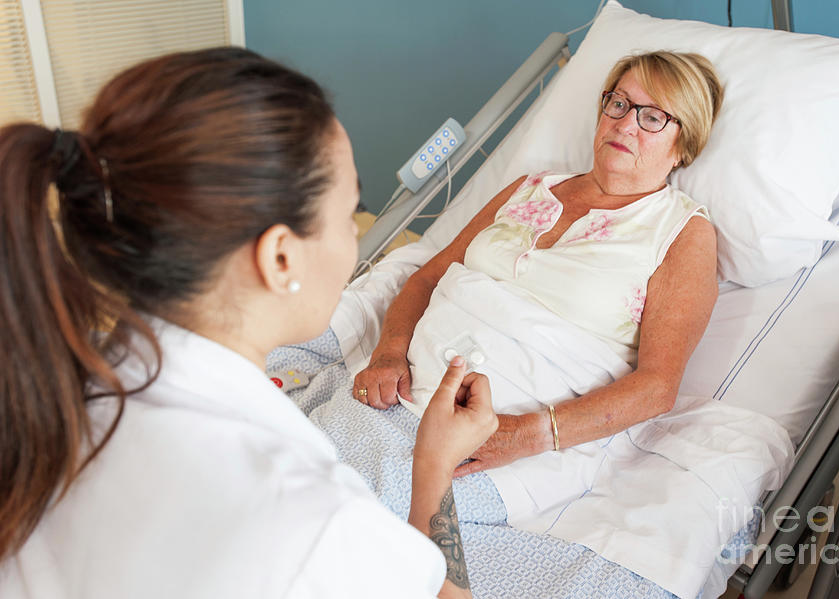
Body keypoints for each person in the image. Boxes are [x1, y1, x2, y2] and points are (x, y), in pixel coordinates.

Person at [0, 47, 496, 598]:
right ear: (280, 257)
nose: (353, 242)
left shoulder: (52, 383)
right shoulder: (309, 515)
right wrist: (435, 467)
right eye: (347, 216)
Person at [353, 51, 723, 477]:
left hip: (502, 441)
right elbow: (428, 278)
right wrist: (388, 354)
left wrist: (525, 435)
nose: (624, 124)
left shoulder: (682, 232)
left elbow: (657, 387)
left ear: (685, 145)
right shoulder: (527, 189)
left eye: (653, 117)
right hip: (399, 394)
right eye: (618, 104)